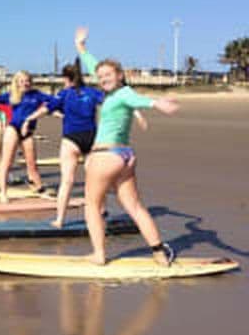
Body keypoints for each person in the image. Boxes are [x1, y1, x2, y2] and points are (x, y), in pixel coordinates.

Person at [75, 27, 178, 266]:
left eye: (108, 75)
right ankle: (159, 253)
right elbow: (93, 66)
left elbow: (136, 99)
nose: (102, 79)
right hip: (125, 156)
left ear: (120, 75)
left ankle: (99, 254)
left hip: (106, 157)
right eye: (100, 77)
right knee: (134, 206)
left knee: (92, 205)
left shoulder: (123, 93)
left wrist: (157, 103)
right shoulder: (112, 93)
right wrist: (81, 47)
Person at [23, 60, 149, 228]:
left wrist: (29, 119)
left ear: (66, 78)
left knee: (67, 180)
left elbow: (46, 109)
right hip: (92, 139)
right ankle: (102, 212)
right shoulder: (93, 92)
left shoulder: (64, 94)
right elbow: (118, 99)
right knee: (97, 180)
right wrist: (137, 114)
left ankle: (60, 219)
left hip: (71, 140)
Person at [0, 71, 53, 202]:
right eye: (22, 81)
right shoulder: (11, 95)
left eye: (27, 81)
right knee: (7, 162)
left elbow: (53, 103)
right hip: (13, 129)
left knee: (32, 164)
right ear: (17, 82)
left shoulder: (36, 95)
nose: (25, 83)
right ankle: (2, 191)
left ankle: (39, 189)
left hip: (28, 131)